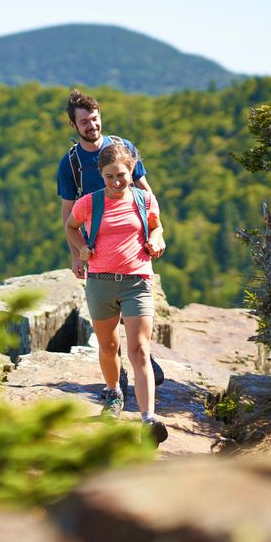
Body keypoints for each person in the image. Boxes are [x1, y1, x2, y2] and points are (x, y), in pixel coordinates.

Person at [56, 89, 164, 392]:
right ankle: (118, 379)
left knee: (136, 310)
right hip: (97, 251)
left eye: (94, 118)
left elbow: (145, 191)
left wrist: (157, 231)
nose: (92, 126)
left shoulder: (123, 148)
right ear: (73, 126)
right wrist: (76, 255)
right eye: (84, 122)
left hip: (132, 245)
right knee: (107, 324)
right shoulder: (71, 164)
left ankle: (142, 358)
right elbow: (69, 217)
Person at [64, 142, 169, 443]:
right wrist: (80, 249)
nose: (116, 182)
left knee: (139, 350)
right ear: (101, 175)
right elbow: (71, 226)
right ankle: (114, 393)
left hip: (137, 280)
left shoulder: (144, 199)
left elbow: (156, 227)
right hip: (100, 281)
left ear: (132, 170)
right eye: (109, 176)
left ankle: (148, 420)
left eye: (121, 175)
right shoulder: (88, 203)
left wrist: (158, 240)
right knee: (109, 347)